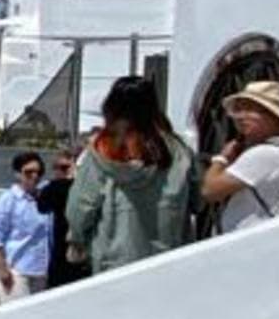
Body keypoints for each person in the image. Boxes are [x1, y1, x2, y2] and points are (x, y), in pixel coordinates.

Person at [67, 75, 195, 275]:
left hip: (114, 263)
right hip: (168, 261)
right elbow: (199, 199)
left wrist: (77, 240)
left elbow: (81, 206)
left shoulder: (102, 151)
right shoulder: (179, 150)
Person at [199, 79, 279, 231]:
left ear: (273, 116)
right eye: (238, 110)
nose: (241, 116)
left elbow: (210, 191)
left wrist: (221, 159)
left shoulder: (263, 154)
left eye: (250, 110)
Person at [0, 149, 50, 298]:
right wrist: (2, 269)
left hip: (42, 272)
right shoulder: (8, 200)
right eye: (29, 172)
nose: (34, 176)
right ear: (18, 174)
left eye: (38, 172)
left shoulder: (45, 197)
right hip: (17, 272)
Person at [36, 151, 81, 285]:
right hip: (57, 254)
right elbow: (42, 205)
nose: (61, 172)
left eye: (65, 168)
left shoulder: (80, 188)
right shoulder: (52, 188)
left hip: (77, 253)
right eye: (57, 168)